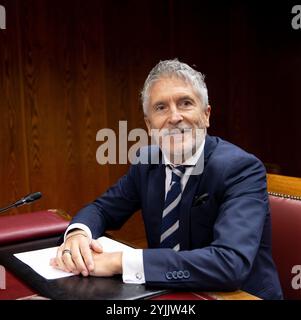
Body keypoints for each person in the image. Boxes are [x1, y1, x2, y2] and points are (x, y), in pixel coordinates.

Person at [51, 59, 283, 299]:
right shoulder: (147, 162)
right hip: (170, 295)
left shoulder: (240, 169)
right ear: (149, 125)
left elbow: (229, 264)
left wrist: (120, 262)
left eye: (185, 103)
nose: (174, 117)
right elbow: (102, 209)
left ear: (206, 115)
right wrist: (79, 233)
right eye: (161, 107)